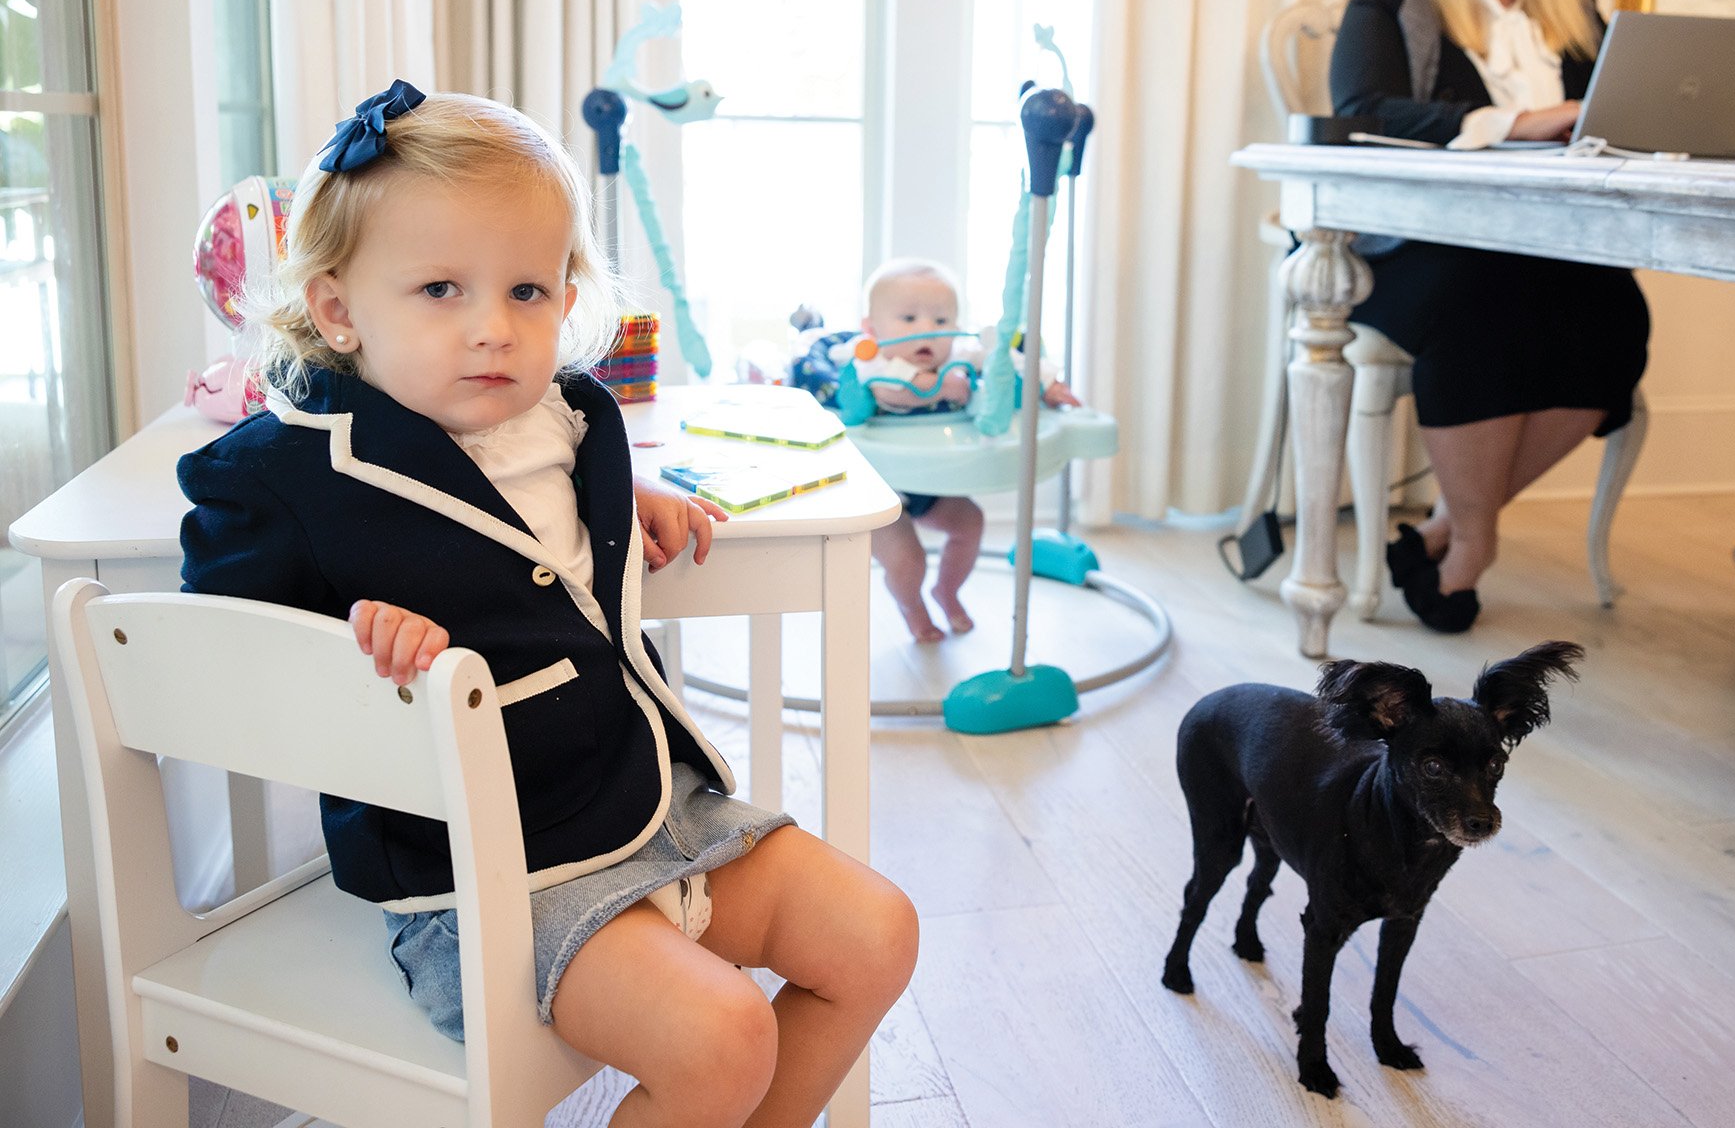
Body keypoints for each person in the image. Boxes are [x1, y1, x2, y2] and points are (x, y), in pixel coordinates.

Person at [177, 82, 918, 1128]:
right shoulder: (277, 473)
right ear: (340, 307)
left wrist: (626, 500)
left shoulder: (573, 422)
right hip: (485, 877)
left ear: (567, 299)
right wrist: (350, 651)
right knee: (724, 1037)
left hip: (649, 801)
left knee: (877, 931)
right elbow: (217, 666)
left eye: (528, 290)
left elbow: (538, 511)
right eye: (441, 289)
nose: (493, 329)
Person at [1327, 0, 1651, 633]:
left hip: (1544, 248)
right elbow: (1362, 108)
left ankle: (1441, 528)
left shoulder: (1574, 14)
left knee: (1617, 316)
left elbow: (1620, 113)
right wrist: (1520, 121)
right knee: (1479, 302)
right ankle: (1472, 544)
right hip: (1411, 250)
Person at [793, 259, 1078, 642]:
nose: (926, 330)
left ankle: (948, 591)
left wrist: (1047, 384)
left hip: (929, 476)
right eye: (908, 318)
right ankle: (913, 607)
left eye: (941, 321)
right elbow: (890, 390)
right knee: (907, 558)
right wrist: (941, 388)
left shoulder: (960, 352)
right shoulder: (869, 356)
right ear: (871, 328)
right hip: (875, 484)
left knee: (970, 523)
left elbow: (1008, 364)